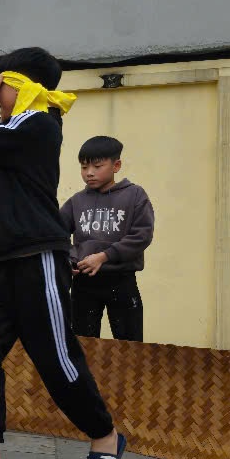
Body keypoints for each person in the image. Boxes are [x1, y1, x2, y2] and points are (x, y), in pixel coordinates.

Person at [0, 50, 124, 459]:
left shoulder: (36, 121)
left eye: (1, 83)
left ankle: (105, 436)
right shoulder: (14, 129)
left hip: (35, 257)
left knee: (55, 358)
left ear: (21, 87)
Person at [61, 135, 154, 341]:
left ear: (116, 165)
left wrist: (104, 256)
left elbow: (142, 235)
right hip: (84, 282)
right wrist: (69, 259)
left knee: (130, 346)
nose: (89, 173)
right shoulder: (76, 201)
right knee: (82, 344)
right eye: (84, 167)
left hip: (121, 280)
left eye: (97, 166)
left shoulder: (135, 195)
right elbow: (55, 234)